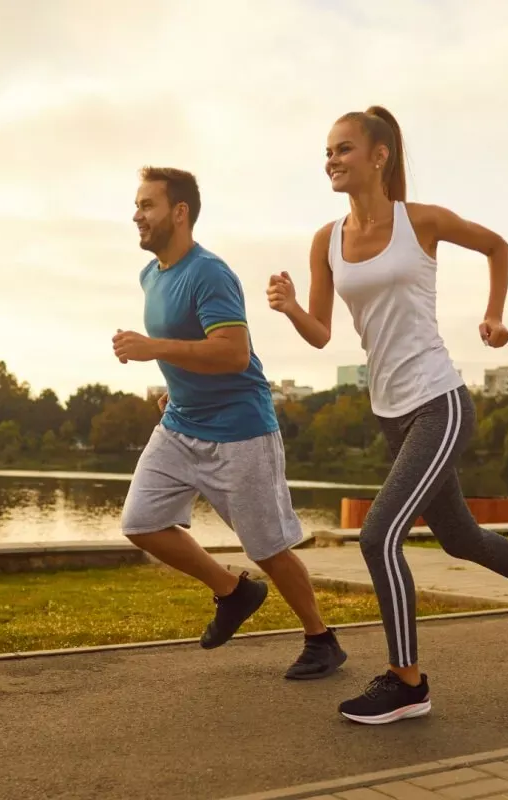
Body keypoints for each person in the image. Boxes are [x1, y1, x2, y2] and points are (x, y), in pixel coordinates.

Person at [267, 107, 508, 724]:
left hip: (439, 403)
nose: (331, 160)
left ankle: (407, 681)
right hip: (390, 412)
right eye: (327, 152)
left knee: (377, 535)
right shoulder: (326, 240)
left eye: (343, 149)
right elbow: (320, 335)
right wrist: (288, 308)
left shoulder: (421, 222)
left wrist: (495, 314)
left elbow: (497, 246)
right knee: (460, 537)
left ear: (380, 154)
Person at [113, 165, 348, 681]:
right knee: (141, 521)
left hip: (240, 429)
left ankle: (321, 639)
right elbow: (191, 345)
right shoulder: (151, 275)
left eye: (147, 205)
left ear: (180, 213)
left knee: (267, 547)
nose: (137, 215)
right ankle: (233, 592)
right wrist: (174, 387)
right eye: (136, 205)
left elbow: (234, 353)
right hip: (179, 423)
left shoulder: (210, 273)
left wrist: (152, 348)